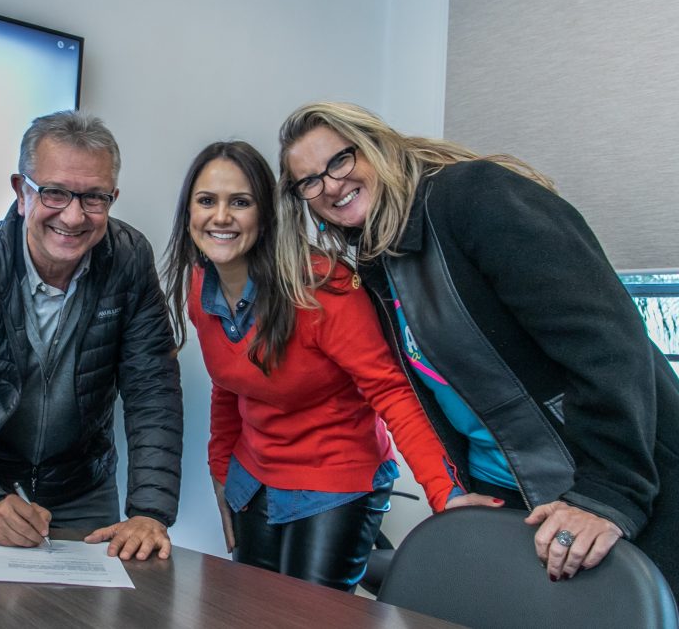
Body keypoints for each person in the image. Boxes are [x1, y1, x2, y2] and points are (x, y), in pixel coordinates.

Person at [275, 101, 679, 591]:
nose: (331, 185)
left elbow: (608, 341)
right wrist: (456, 491)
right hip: (508, 493)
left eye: (340, 160)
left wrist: (607, 493)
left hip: (607, 478)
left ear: (377, 146)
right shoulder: (378, 260)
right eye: (310, 181)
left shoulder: (473, 196)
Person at [162, 141, 495, 591]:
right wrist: (221, 473)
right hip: (252, 477)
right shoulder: (202, 288)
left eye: (240, 202)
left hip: (336, 477)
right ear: (189, 213)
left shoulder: (324, 287)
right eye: (207, 201)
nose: (221, 217)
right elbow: (231, 385)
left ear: (266, 214)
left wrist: (446, 495)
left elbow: (393, 394)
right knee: (246, 614)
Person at [0, 110, 183, 561]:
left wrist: (150, 510)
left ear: (112, 198)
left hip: (84, 489)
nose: (73, 217)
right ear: (22, 192)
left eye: (93, 198)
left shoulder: (130, 259)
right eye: (54, 193)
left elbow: (153, 392)